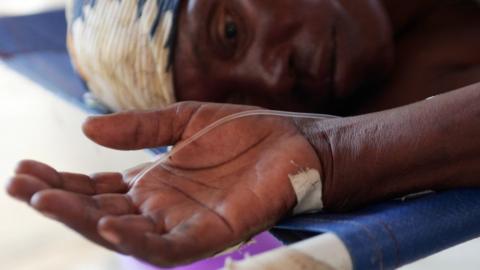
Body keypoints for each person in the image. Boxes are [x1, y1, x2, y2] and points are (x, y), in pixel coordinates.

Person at [6, 0, 480, 267]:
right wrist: (325, 156)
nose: (273, 77)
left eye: (230, 31)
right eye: (240, 103)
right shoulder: (400, 128)